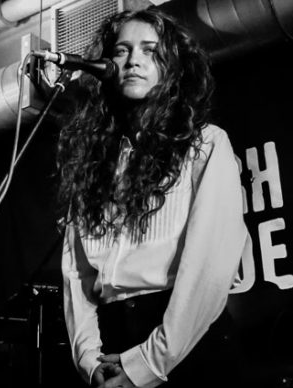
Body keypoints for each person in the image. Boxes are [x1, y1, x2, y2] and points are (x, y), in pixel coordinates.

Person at [58, 8, 247, 388]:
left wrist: (150, 363)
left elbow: (208, 267)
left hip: (184, 343)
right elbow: (77, 273)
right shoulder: (93, 163)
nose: (133, 61)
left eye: (150, 50)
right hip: (111, 341)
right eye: (122, 50)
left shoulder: (205, 144)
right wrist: (89, 358)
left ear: (173, 66)